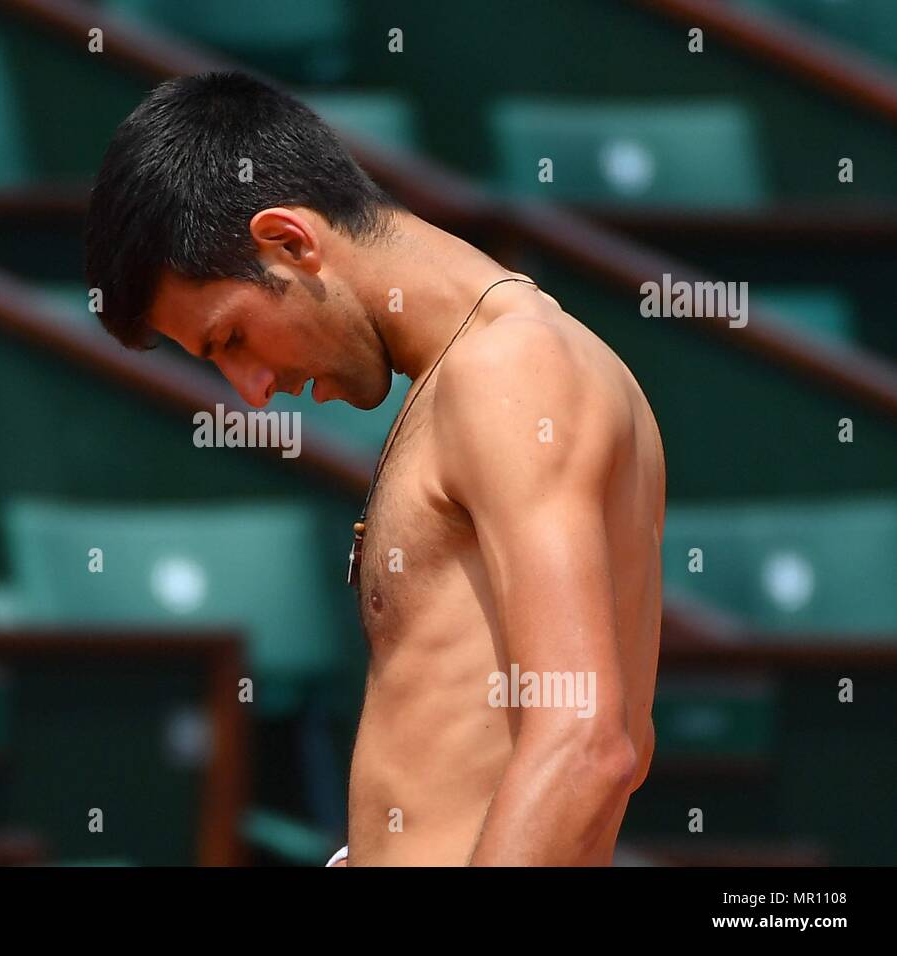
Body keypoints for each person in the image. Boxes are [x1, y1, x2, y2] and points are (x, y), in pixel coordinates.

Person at [85, 71, 664, 866]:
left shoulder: (513, 371)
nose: (253, 393)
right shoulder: (484, 370)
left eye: (230, 341)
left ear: (291, 241)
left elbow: (587, 745)